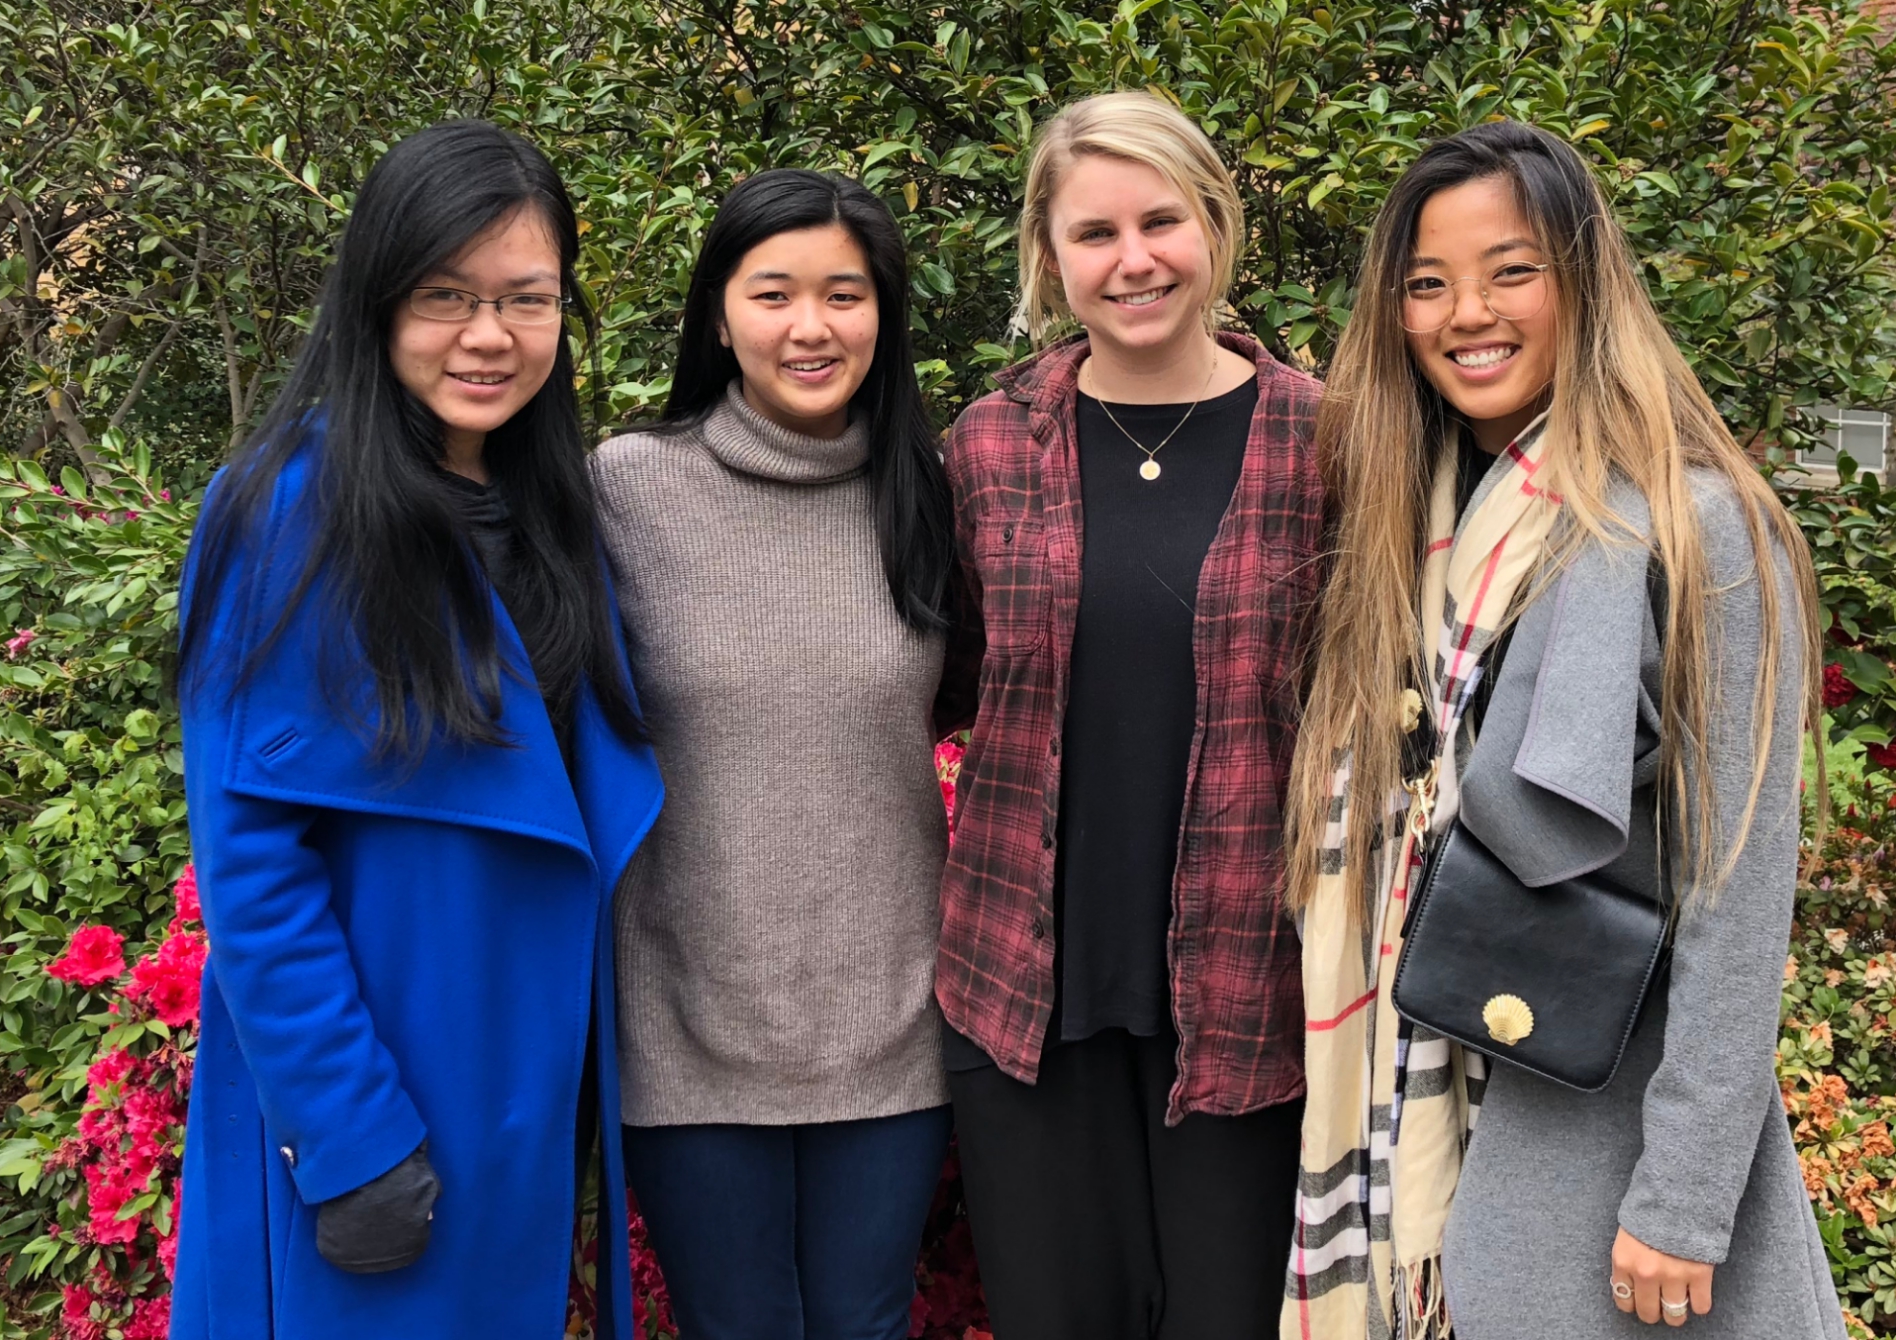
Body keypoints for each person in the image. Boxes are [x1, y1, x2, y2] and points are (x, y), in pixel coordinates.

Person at [1282, 120, 1845, 1339]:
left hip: (1588, 1129)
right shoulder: (1408, 522)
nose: (1464, 312)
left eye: (1511, 269)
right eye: (1425, 283)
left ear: (1584, 282)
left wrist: (1684, 1201)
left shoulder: (1698, 529)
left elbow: (1737, 890)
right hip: (1401, 1098)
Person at [171, 120, 662, 1340]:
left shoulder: (552, 512)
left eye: (525, 298)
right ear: (376, 301)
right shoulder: (285, 511)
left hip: (523, 1084)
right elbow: (252, 859)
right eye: (446, 296)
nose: (488, 336)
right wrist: (349, 1136)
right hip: (381, 1092)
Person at [935, 91, 1324, 1339]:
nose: (1133, 258)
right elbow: (945, 677)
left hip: (1250, 997)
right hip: (1023, 995)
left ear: (1214, 224)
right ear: (1050, 258)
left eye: (1161, 219)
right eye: (1093, 232)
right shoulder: (988, 445)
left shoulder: (1331, 439)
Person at [590, 168, 961, 1340]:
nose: (811, 326)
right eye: (774, 293)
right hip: (689, 1017)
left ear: (884, 313)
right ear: (718, 313)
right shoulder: (626, 487)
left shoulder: (934, 490)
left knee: (865, 1318)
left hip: (891, 1018)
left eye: (844, 294)